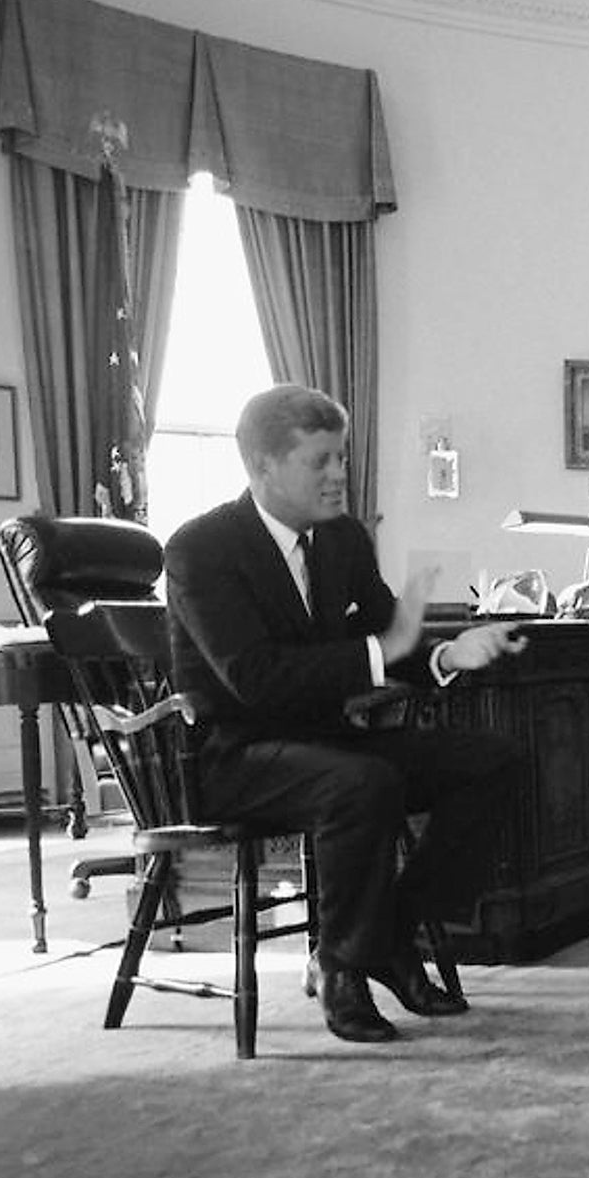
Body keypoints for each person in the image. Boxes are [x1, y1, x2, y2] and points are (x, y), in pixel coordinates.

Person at [164, 384, 530, 1045]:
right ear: (264, 467)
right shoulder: (200, 549)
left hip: (327, 744)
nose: (339, 475)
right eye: (321, 461)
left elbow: (392, 631)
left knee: (495, 760)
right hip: (235, 754)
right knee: (362, 783)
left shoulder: (343, 541)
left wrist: (449, 652)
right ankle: (344, 966)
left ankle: (392, 934)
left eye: (342, 458)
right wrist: (379, 652)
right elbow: (253, 680)